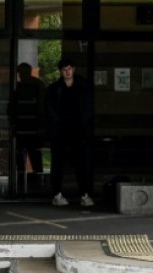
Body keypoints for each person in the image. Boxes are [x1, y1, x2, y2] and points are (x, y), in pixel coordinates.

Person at [45, 57, 95, 207]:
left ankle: (85, 194)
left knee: (81, 165)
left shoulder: (83, 87)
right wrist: (58, 125)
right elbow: (49, 110)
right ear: (61, 71)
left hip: (78, 132)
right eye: (64, 69)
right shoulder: (54, 89)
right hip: (60, 132)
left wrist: (82, 126)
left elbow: (88, 109)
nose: (67, 72)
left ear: (73, 69)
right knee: (58, 165)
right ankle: (57, 194)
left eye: (69, 68)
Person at [15, 62, 46, 178]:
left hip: (26, 126)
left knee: (24, 154)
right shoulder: (38, 84)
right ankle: (36, 177)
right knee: (34, 154)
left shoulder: (19, 86)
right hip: (31, 125)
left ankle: (23, 177)